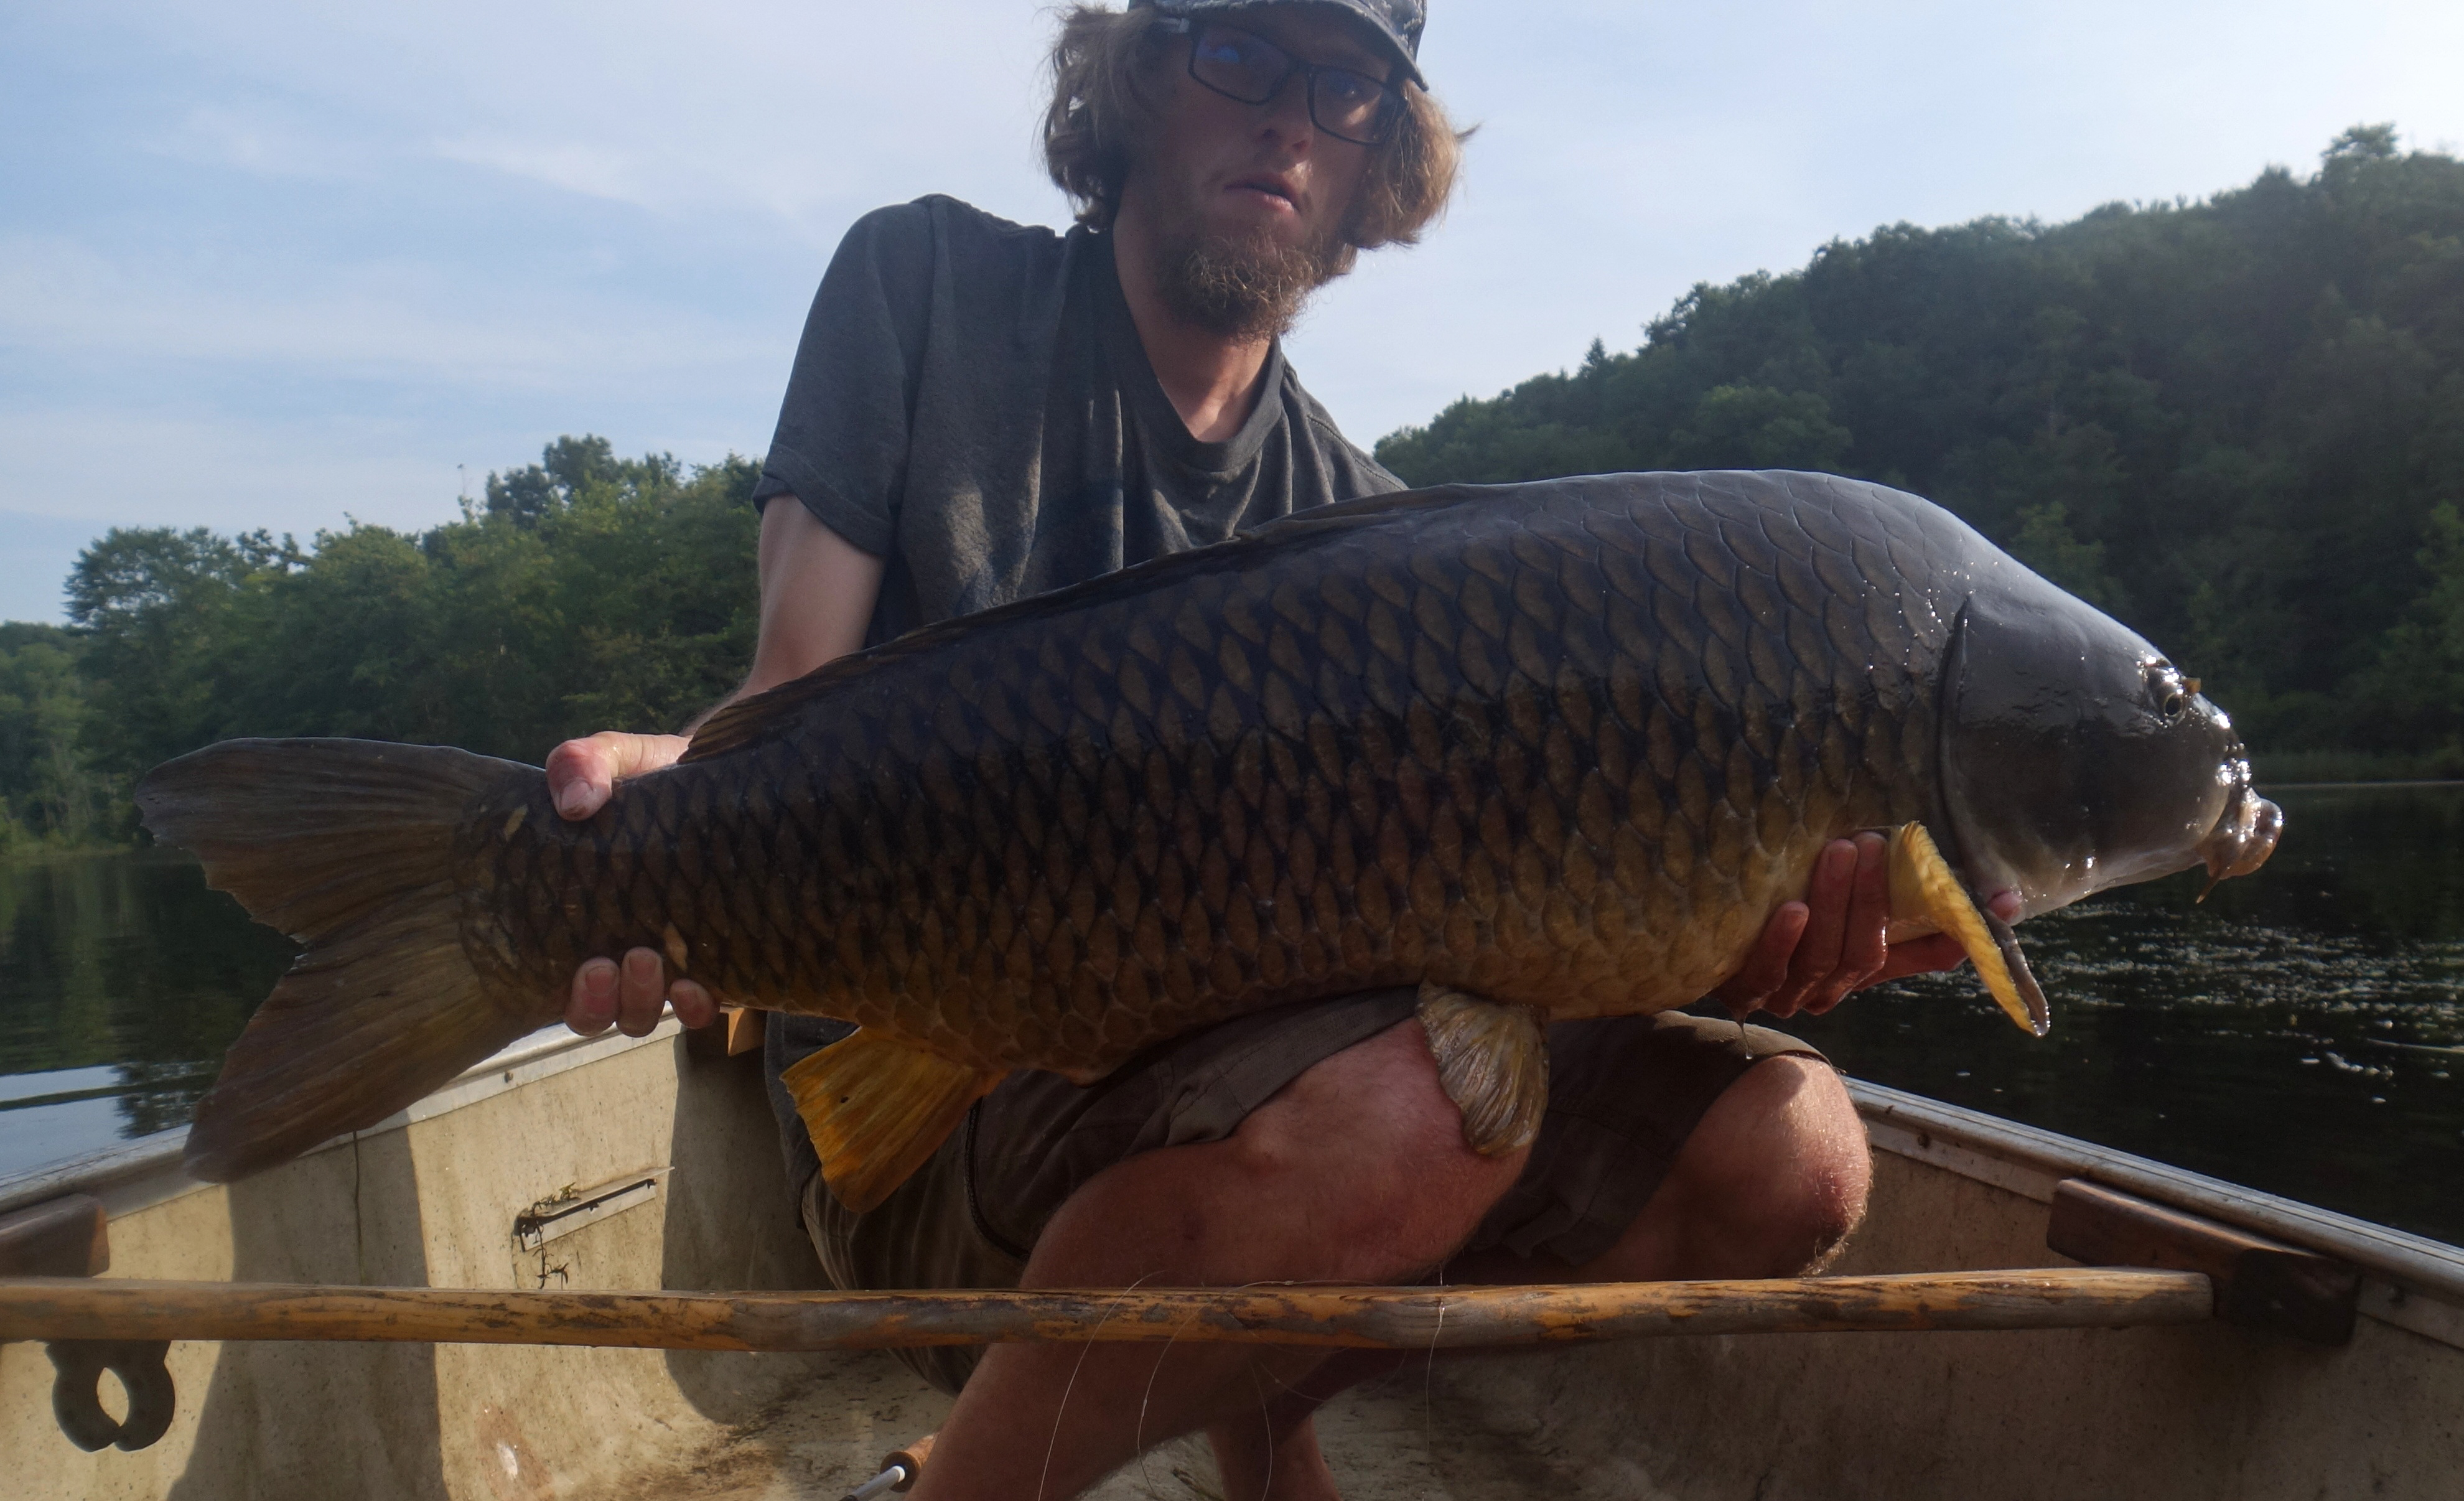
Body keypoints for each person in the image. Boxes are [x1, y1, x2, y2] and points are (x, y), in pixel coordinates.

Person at [543, 4, 2009, 1496]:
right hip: (932, 1091)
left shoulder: (1379, 541)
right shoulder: (923, 285)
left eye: (1347, 85)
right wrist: (674, 816)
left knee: (1792, 1155)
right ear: (1135, 76)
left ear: (1386, 152)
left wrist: (1738, 945)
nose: (1289, 118)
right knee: (1411, 1108)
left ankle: (1248, 1416)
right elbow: (793, 685)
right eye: (1242, 54)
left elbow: (1492, 955)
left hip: (1268, 1114)